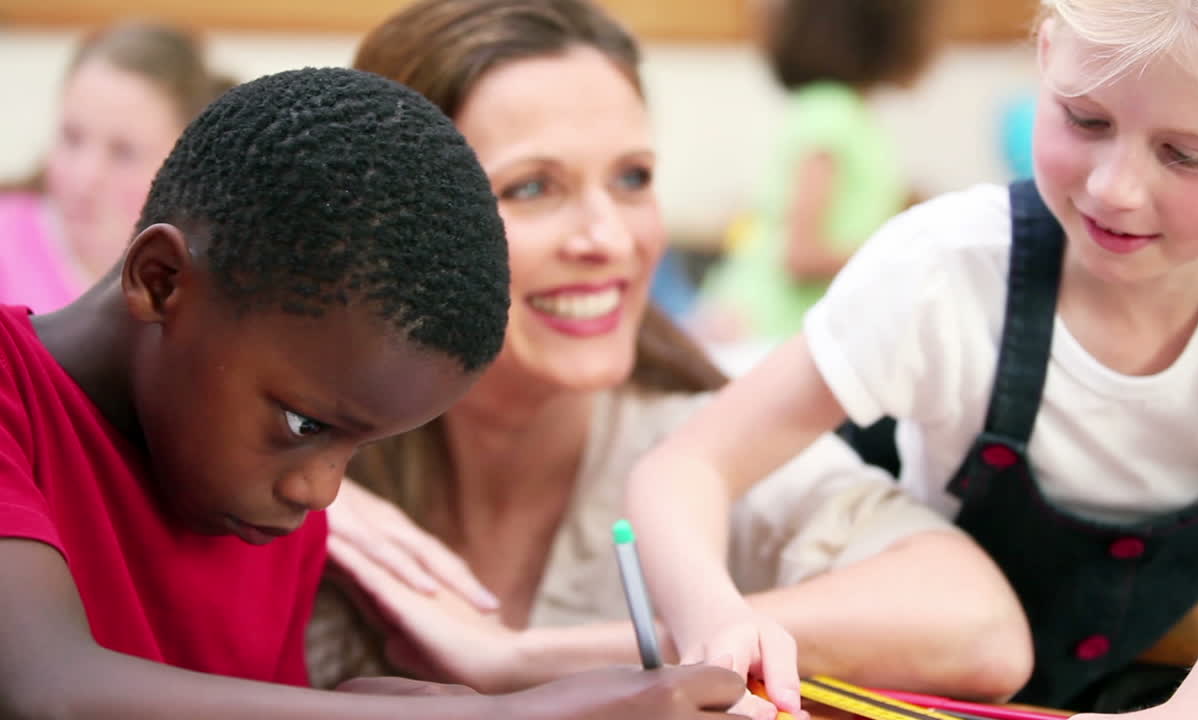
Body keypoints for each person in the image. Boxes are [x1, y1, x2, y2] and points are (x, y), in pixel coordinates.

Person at [303, 2, 1032, 718]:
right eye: (532, 187)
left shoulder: (694, 447)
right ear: (392, 225)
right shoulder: (315, 473)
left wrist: (522, 661)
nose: (610, 239)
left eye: (632, 179)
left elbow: (983, 631)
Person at [0, 65, 747, 719]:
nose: (323, 491)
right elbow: (44, 692)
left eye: (359, 448)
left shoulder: (266, 512)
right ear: (162, 281)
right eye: (303, 423)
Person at [625, 0, 1198, 716]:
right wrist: (718, 620)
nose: (1112, 188)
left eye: (1185, 155)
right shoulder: (943, 267)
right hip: (912, 693)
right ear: (1047, 57)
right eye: (1085, 120)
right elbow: (685, 465)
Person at [694, 0, 939, 345]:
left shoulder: (845, 113)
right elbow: (801, 254)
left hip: (784, 326)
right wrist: (905, 254)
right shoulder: (831, 113)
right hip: (767, 326)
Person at [0, 21, 233, 313]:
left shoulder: (204, 288)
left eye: (123, 152)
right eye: (72, 138)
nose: (84, 178)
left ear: (184, 164)